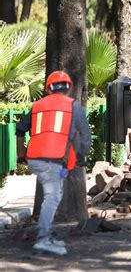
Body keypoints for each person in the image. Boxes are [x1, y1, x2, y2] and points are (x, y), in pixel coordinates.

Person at [16, 71, 91, 256]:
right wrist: (82, 156)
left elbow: (19, 129)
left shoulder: (37, 106)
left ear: (48, 88)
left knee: (54, 194)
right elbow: (86, 137)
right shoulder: (74, 106)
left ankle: (46, 236)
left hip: (34, 159)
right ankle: (42, 239)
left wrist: (21, 154)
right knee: (52, 197)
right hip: (53, 160)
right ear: (69, 87)